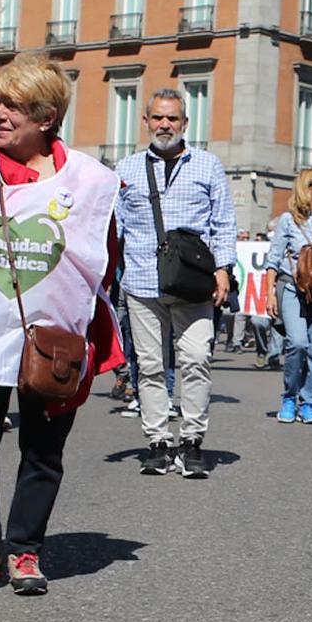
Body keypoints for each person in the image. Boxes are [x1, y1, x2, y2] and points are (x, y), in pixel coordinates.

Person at [0, 56, 120, 595]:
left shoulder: (91, 183)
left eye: (14, 105)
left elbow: (105, 258)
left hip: (54, 338)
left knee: (43, 447)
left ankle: (24, 549)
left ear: (47, 117)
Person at [115, 86, 236, 478]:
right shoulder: (126, 169)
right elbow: (113, 226)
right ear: (146, 121)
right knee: (150, 366)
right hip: (141, 281)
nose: (164, 124)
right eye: (158, 117)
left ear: (185, 123)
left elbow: (223, 222)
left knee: (196, 359)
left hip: (193, 282)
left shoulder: (208, 165)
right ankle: (158, 442)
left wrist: (223, 268)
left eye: (172, 118)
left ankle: (192, 441)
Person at [268, 167, 312, 424]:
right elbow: (273, 258)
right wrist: (270, 294)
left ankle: (308, 403)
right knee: (298, 343)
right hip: (292, 288)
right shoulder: (289, 220)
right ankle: (289, 398)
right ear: (306, 188)